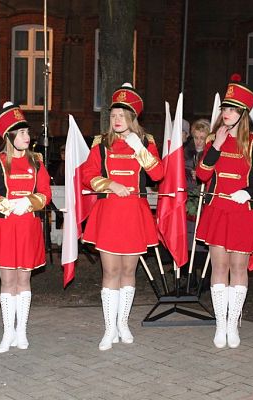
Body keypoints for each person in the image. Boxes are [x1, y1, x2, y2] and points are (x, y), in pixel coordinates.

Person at [81, 83, 164, 351]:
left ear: (132, 118)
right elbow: (87, 173)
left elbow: (158, 174)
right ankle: (108, 329)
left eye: (121, 115)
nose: (116, 120)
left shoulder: (146, 141)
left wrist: (138, 147)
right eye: (113, 115)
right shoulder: (101, 143)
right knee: (111, 271)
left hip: (135, 213)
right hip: (109, 214)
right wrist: (109, 184)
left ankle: (123, 324)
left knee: (129, 271)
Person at [195, 75, 253, 349]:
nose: (225, 113)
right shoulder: (212, 139)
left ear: (242, 114)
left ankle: (233, 324)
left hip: (243, 211)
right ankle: (220, 324)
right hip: (218, 209)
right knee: (219, 266)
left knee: (239, 267)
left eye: (231, 110)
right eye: (224, 109)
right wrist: (216, 145)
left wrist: (248, 193)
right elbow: (202, 174)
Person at [0, 102, 51, 353]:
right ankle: (8, 331)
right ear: (10, 136)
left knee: (24, 279)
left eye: (27, 133)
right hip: (5, 226)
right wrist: (8, 205)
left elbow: (45, 193)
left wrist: (27, 203)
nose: (27, 137)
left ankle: (22, 331)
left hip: (27, 225)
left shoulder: (37, 161)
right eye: (22, 134)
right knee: (7, 280)